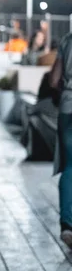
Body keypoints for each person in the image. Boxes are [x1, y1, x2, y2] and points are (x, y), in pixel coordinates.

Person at [49, 32, 72, 249]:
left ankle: (67, 225)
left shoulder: (66, 40)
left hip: (68, 106)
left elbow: (54, 80)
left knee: (70, 167)